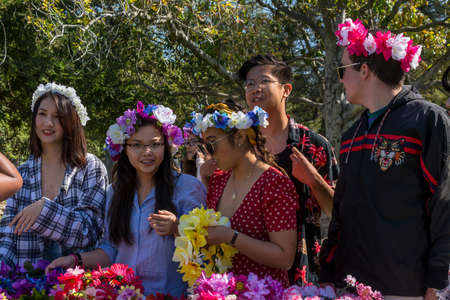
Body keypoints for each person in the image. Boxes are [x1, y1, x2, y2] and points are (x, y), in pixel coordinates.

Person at [319, 19, 450, 299]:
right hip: (350, 287)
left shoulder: (428, 120)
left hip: (406, 289)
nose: (340, 79)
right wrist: (327, 274)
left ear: (364, 70)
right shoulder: (351, 134)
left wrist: (437, 282)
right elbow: (341, 213)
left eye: (343, 70)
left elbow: (445, 206)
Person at [47, 102, 206, 297]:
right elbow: (112, 250)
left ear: (167, 146)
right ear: (124, 148)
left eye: (155, 144)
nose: (146, 152)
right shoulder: (115, 193)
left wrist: (178, 228)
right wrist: (76, 260)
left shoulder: (188, 188)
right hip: (124, 294)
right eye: (136, 145)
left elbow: (205, 249)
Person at [237, 54, 339, 284]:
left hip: (300, 277)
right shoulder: (238, 144)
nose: (255, 89)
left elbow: (338, 211)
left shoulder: (313, 145)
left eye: (264, 81)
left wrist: (312, 179)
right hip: (244, 274)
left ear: (286, 90)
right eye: (250, 84)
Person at [190, 101, 299, 287]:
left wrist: (231, 237)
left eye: (212, 144)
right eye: (204, 146)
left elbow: (285, 257)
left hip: (265, 293)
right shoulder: (218, 180)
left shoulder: (273, 183)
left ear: (239, 137)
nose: (208, 153)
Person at [0, 83, 108, 266]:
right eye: (42, 114)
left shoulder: (91, 168)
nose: (48, 123)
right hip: (24, 287)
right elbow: (8, 237)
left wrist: (44, 210)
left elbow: (88, 233)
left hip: (76, 287)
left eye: (58, 117)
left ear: (71, 122)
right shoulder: (22, 173)